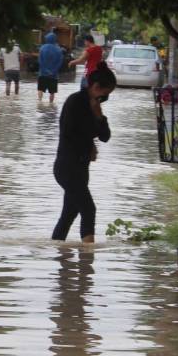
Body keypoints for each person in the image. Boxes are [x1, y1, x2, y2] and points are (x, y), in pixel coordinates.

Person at [51, 67, 117, 244]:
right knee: (89, 209)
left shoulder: (94, 107)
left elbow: (105, 136)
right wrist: (89, 145)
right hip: (67, 167)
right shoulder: (75, 102)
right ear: (95, 87)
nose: (105, 98)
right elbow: (69, 132)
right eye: (105, 93)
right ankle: (87, 258)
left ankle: (58, 251)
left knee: (69, 214)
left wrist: (99, 115)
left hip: (81, 168)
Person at [37, 31, 63, 105]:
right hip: (53, 75)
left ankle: (39, 103)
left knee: (40, 89)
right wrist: (53, 71)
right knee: (52, 92)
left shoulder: (42, 48)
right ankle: (51, 105)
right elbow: (60, 62)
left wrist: (45, 70)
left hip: (42, 74)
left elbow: (40, 61)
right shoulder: (58, 49)